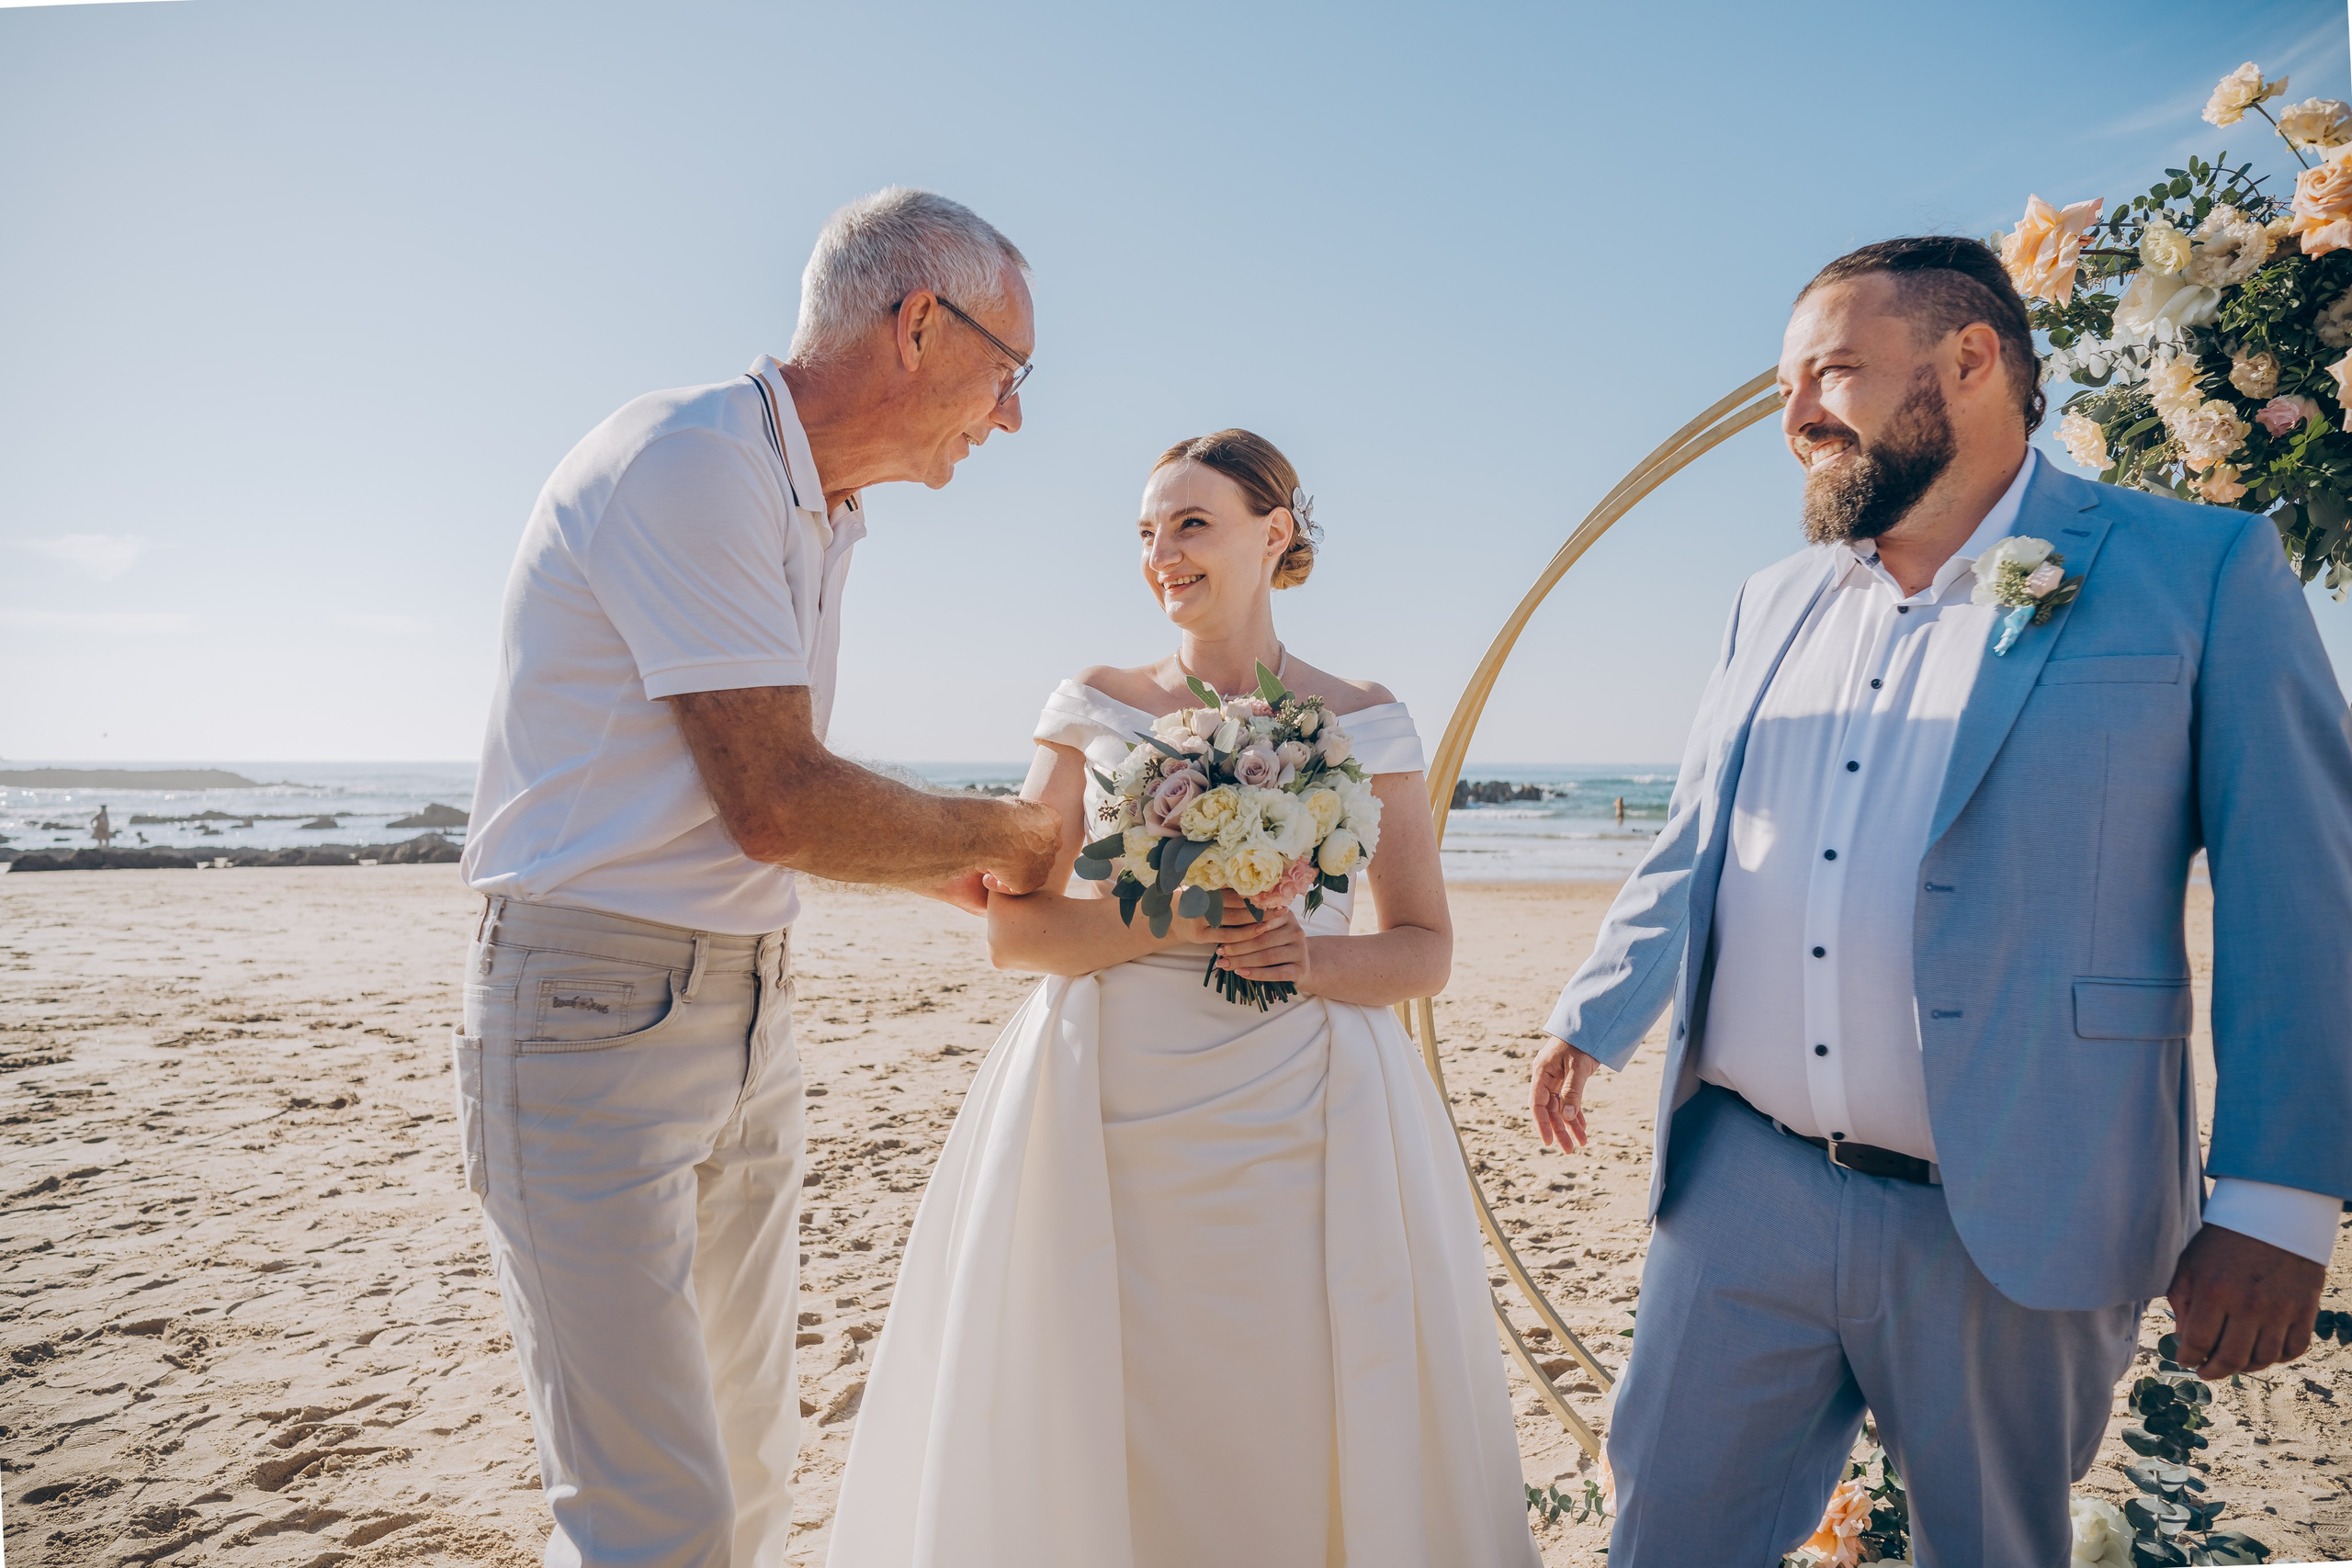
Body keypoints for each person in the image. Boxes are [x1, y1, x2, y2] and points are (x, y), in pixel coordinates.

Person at [1528, 236, 2352, 1567]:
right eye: (1787, 385)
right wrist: (1599, 1007)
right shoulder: (1771, 597)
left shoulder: (2200, 571)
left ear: (1972, 360)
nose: (1794, 416)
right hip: (1742, 1183)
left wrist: (2275, 1197)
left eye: (1832, 373)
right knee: (1661, 1537)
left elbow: (2303, 891)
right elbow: (1704, 834)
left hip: (2029, 1198)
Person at [454, 187, 1062, 1568]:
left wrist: (933, 866)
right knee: (653, 1514)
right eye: (1008, 374)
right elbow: (776, 800)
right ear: (919, 323)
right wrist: (1015, 837)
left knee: (747, 1470)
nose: (1011, 417)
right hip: (587, 1012)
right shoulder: (692, 461)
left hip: (742, 1012)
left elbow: (740, 772)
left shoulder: (817, 505)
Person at [826, 430, 1540, 1568]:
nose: (1163, 553)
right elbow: (1018, 932)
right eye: (1148, 533)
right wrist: (1176, 914)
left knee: (1291, 1396)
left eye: (1192, 524)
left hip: (1307, 1120)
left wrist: (1307, 962)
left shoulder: (1366, 719)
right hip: (1106, 1108)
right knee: (1109, 1397)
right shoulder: (1094, 705)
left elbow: (1420, 950)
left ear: (1277, 532)